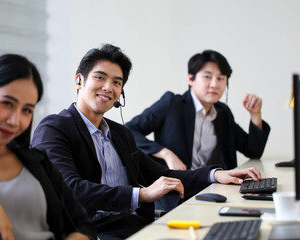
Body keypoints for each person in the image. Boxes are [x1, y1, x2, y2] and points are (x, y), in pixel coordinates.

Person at [31, 44, 263, 240]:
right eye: (100, 78)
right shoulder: (54, 128)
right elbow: (70, 189)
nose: (108, 87)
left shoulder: (120, 134)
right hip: (89, 232)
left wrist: (215, 175)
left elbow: (161, 175)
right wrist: (141, 195)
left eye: (116, 82)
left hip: (131, 225)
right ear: (79, 81)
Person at [0, 54, 97, 240]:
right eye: (7, 103)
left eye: (27, 110)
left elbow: (83, 224)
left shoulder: (38, 160)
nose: (15, 121)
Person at [126, 50, 270, 171]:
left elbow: (253, 151)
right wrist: (165, 153)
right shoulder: (172, 104)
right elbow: (129, 130)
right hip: (177, 191)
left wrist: (255, 115)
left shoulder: (222, 112)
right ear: (191, 79)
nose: (214, 84)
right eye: (207, 77)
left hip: (214, 188)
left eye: (221, 78)